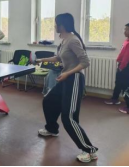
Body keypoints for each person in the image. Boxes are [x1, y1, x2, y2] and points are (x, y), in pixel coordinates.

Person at [37, 13, 98, 164]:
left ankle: (89, 150)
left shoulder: (73, 40)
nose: (55, 26)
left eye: (56, 23)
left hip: (74, 79)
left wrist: (67, 74)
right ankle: (52, 129)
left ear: (62, 25)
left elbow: (85, 62)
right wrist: (42, 59)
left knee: (68, 117)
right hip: (65, 78)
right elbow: (58, 58)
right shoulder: (64, 40)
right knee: (48, 101)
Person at [105, 23, 129, 115]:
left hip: (126, 65)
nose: (125, 31)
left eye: (127, 29)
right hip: (122, 64)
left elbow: (127, 58)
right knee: (118, 82)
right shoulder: (127, 41)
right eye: (125, 29)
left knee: (125, 86)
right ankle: (115, 99)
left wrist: (121, 67)